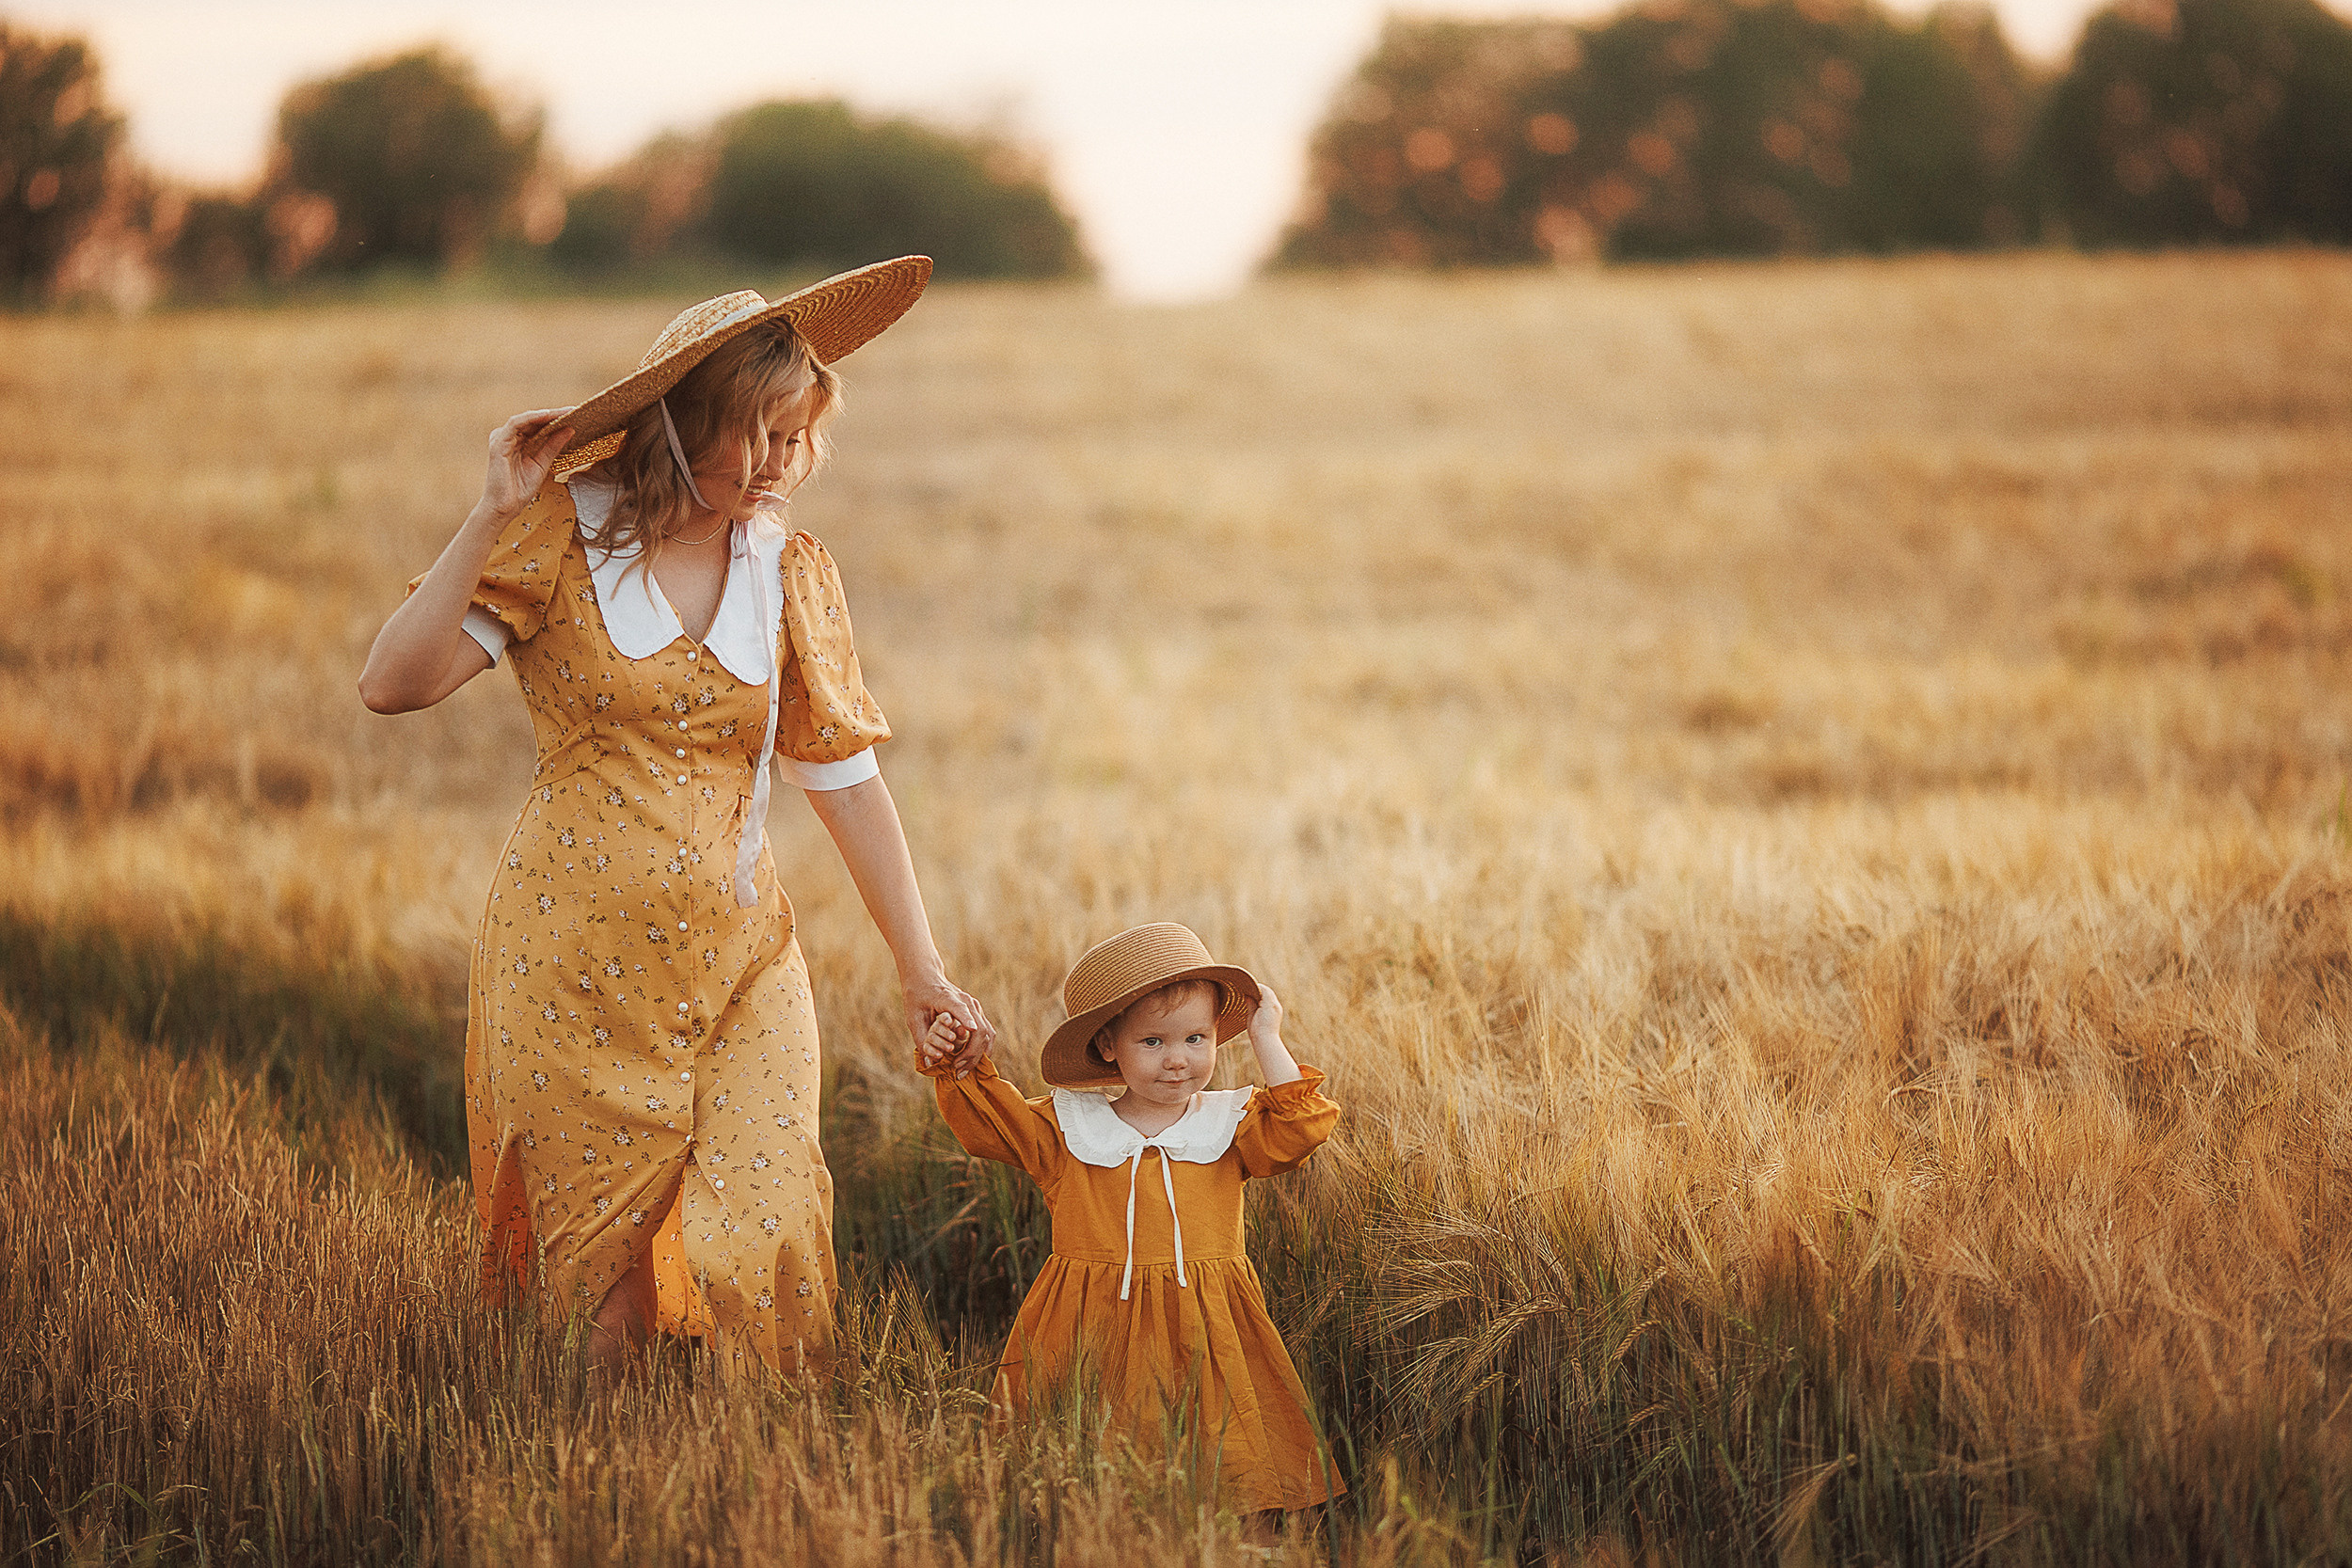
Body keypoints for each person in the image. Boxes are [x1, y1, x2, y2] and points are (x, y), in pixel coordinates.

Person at [358, 258, 993, 1374]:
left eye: (800, 436)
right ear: (680, 418)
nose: (783, 463)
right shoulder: (560, 532)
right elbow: (392, 685)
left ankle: (778, 1504)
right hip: (569, 971)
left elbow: (845, 779)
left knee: (768, 1227)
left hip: (743, 959)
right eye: (758, 434)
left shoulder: (790, 568)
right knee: (597, 1303)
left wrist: (922, 970)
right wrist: (489, 509)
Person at [919, 922, 1343, 1514]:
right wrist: (956, 1059)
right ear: (1107, 1047)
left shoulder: (1230, 1124)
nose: (1179, 1060)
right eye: (1154, 1042)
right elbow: (988, 1119)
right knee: (1090, 1480)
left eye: (1198, 1038)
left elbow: (1298, 1128)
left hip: (1207, 1322)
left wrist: (1267, 1038)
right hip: (1091, 1324)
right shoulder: (1067, 1129)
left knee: (1233, 1474)